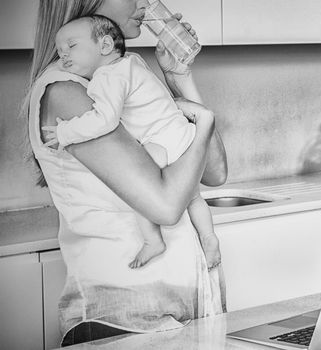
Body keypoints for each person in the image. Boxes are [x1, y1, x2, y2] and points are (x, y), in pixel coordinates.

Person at [22, 0, 228, 346]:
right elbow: (165, 206)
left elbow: (215, 171)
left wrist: (179, 77)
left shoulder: (121, 73)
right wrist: (203, 121)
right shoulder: (66, 92)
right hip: (124, 322)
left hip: (177, 317)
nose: (143, 2)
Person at [43, 14, 221, 270]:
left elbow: (104, 119)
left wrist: (65, 132)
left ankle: (152, 240)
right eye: (60, 51)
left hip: (160, 142)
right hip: (182, 133)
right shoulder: (134, 62)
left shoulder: (108, 76)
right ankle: (209, 236)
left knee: (143, 189)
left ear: (104, 46)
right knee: (193, 198)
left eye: (71, 46)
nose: (64, 56)